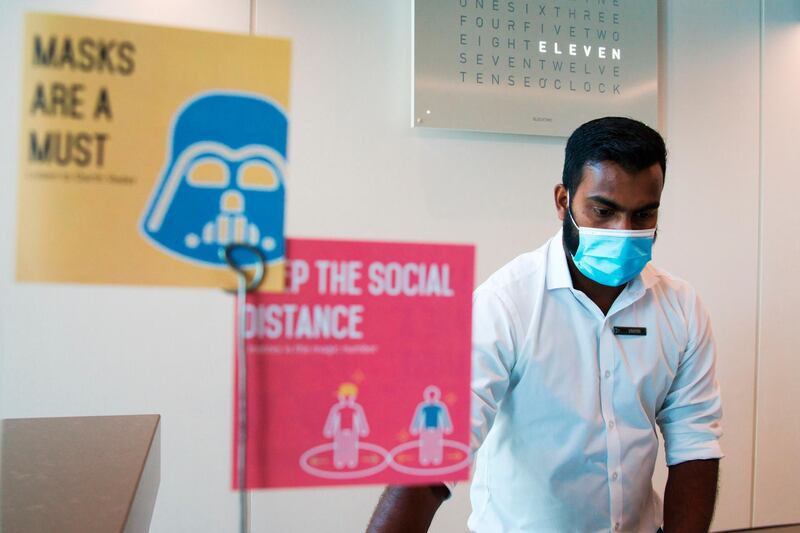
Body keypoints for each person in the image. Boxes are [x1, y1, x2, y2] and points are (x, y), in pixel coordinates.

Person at [366, 117, 723, 532]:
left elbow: (695, 446)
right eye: (603, 211)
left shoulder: (680, 308)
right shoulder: (505, 304)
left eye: (643, 215)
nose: (623, 231)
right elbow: (434, 456)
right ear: (562, 200)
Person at [323, 382, 370, 469]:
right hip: (339, 436)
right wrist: (329, 430)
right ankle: (340, 460)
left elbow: (363, 425)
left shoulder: (356, 409)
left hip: (353, 435)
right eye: (344, 396)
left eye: (349, 397)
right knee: (339, 448)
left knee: (352, 448)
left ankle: (351, 460)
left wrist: (362, 429)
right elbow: (330, 424)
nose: (347, 399)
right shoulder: (336, 409)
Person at [409, 385, 454, 466]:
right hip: (425, 429)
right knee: (425, 444)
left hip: (437, 429)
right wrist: (415, 427)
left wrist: (447, 426)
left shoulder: (440, 406)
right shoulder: (423, 406)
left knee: (436, 443)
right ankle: (424, 458)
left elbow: (445, 417)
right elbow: (417, 417)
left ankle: (436, 458)